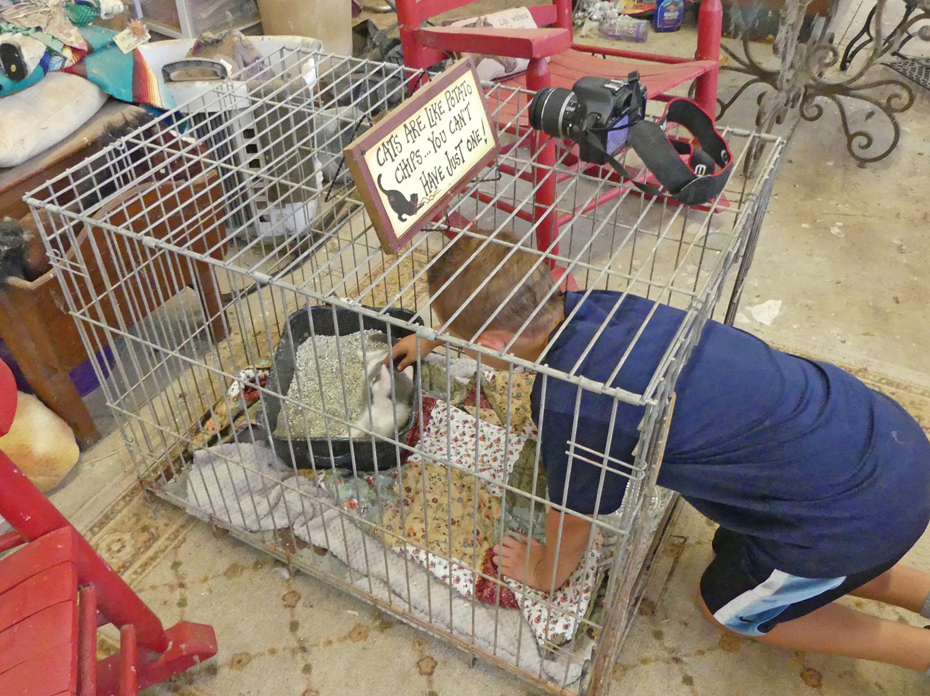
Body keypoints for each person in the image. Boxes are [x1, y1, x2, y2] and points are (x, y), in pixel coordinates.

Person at [390, 228, 930, 673]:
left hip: (854, 518)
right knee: (735, 551)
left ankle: (917, 651)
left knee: (726, 608)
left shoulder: (577, 404)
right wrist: (438, 340)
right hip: (885, 437)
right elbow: (510, 320)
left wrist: (544, 571)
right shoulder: (599, 304)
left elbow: (573, 520)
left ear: (489, 344)